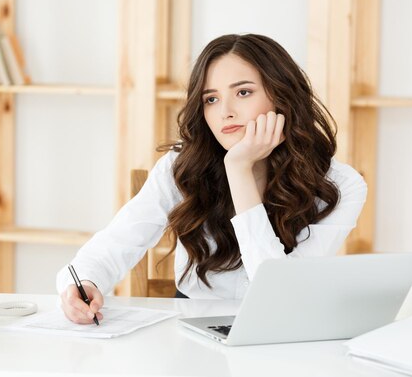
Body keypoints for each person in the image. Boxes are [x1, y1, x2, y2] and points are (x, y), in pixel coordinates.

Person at [56, 33, 367, 324]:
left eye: (243, 92)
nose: (225, 112)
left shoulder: (340, 185)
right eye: (211, 99)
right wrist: (84, 282)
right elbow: (116, 243)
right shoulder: (182, 167)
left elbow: (278, 295)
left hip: (282, 328)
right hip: (191, 328)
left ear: (282, 96)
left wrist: (240, 170)